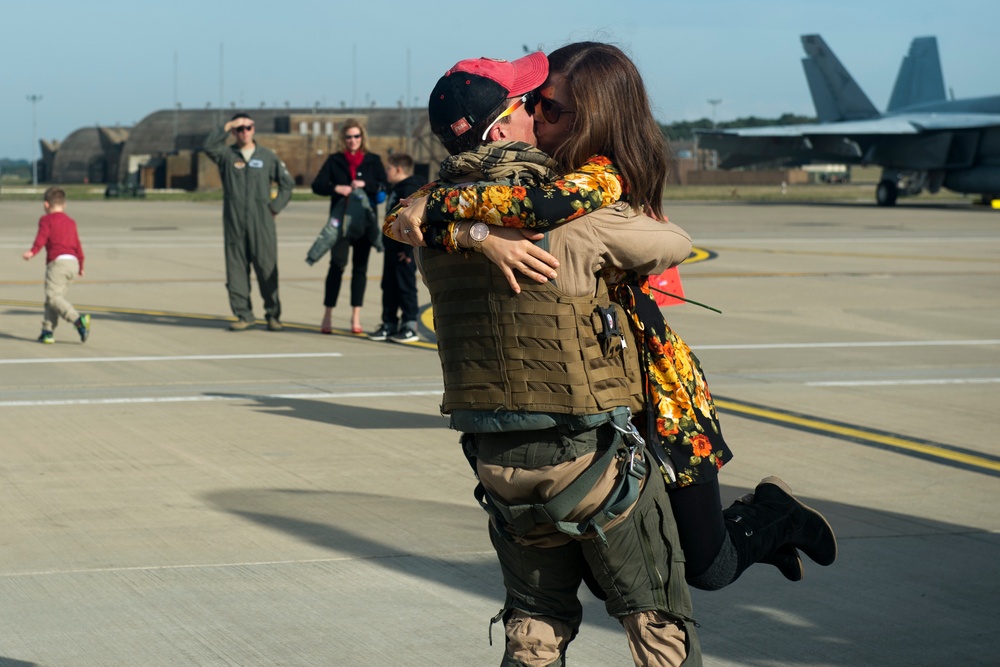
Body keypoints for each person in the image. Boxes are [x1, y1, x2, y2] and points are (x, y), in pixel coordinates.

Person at [390, 41, 837, 595]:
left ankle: (775, 514)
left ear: (593, 118)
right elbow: (404, 214)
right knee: (612, 577)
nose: (537, 113)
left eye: (550, 108)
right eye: (534, 103)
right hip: (603, 390)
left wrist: (453, 215)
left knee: (707, 567)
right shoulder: (532, 176)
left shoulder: (594, 180)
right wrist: (478, 235)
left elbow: (548, 214)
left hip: (659, 385)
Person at [386, 52, 701, 667]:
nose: (540, 112)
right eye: (530, 105)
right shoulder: (574, 214)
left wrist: (477, 229)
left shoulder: (428, 223)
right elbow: (675, 245)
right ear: (502, 127)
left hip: (498, 468)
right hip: (590, 461)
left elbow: (407, 218)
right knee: (657, 626)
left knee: (533, 632)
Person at [204, 112, 294, 332]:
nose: (245, 132)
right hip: (234, 222)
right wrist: (227, 125)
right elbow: (208, 146)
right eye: (240, 128)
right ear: (234, 132)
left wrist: (275, 207)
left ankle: (273, 314)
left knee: (266, 269)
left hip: (261, 222)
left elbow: (287, 183)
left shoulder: (267, 156)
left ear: (254, 129)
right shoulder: (226, 155)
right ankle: (244, 315)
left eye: (249, 127)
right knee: (235, 271)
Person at [311, 120, 388, 334]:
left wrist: (367, 185)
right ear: (343, 139)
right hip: (341, 224)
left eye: (356, 136)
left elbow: (385, 184)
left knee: (360, 269)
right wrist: (337, 188)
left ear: (362, 138)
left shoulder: (373, 160)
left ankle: (356, 316)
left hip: (364, 223)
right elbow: (317, 185)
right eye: (348, 137)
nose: (353, 140)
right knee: (337, 265)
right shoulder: (335, 160)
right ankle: (327, 315)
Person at [367, 153, 427, 344]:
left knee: (405, 287)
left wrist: (408, 249)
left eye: (389, 168)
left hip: (404, 250)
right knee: (389, 286)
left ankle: (409, 325)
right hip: (392, 248)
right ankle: (389, 323)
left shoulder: (409, 189)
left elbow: (412, 220)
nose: (387, 172)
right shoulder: (396, 188)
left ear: (399, 169)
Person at [22, 187, 91, 344]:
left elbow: (42, 238)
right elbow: (77, 244)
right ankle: (48, 331)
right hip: (72, 263)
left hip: (58, 263)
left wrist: (32, 252)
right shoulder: (70, 222)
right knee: (53, 298)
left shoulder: (46, 220)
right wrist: (81, 264)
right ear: (64, 205)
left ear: (46, 205)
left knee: (53, 297)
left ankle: (78, 320)